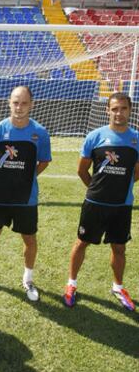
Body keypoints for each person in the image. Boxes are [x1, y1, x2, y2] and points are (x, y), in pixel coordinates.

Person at [0, 86, 51, 302]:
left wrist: (28, 176)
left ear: (32, 105)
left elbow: (44, 161)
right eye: (16, 102)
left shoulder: (40, 133)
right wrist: (2, 176)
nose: (19, 107)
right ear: (9, 103)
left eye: (24, 102)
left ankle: (28, 279)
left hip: (26, 198)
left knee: (29, 238)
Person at [63, 92, 139, 311]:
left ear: (130, 110)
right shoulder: (95, 136)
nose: (119, 113)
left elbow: (136, 172)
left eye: (123, 108)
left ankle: (118, 286)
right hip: (95, 204)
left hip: (122, 206)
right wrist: (97, 190)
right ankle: (71, 283)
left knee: (119, 247)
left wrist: (120, 187)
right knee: (81, 242)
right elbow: (82, 170)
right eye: (114, 108)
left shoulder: (136, 139)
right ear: (107, 110)